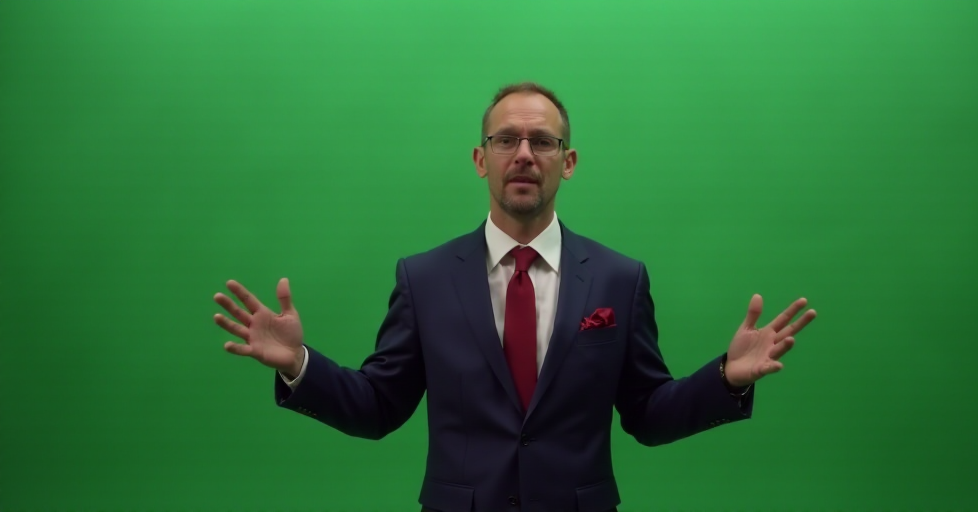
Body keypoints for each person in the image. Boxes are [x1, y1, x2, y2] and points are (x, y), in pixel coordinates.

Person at [212, 82, 816, 512]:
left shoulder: (618, 279)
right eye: (506, 140)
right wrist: (299, 366)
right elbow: (377, 407)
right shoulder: (423, 279)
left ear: (568, 162)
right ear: (481, 159)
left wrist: (727, 379)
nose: (524, 154)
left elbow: (648, 415)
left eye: (542, 142)